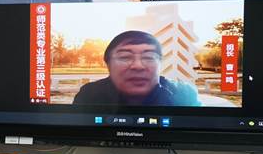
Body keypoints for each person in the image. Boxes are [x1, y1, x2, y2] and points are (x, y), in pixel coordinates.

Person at [73, 31, 201, 106]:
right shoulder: (89, 95)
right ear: (108, 63)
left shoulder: (183, 94)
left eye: (149, 57)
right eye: (125, 57)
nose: (138, 66)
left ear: (160, 63)